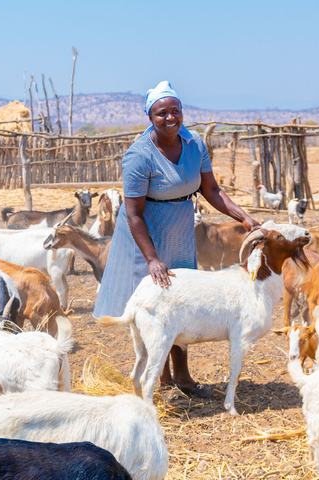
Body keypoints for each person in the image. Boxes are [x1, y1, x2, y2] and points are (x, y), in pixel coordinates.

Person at [94, 80, 259, 396]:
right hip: (146, 233)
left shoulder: (195, 143)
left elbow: (211, 190)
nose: (170, 118)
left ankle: (182, 377)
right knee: (156, 304)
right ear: (150, 117)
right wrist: (152, 258)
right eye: (162, 113)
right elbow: (133, 214)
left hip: (181, 228)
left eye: (175, 111)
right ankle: (162, 379)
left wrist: (243, 217)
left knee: (182, 298)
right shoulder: (139, 156)